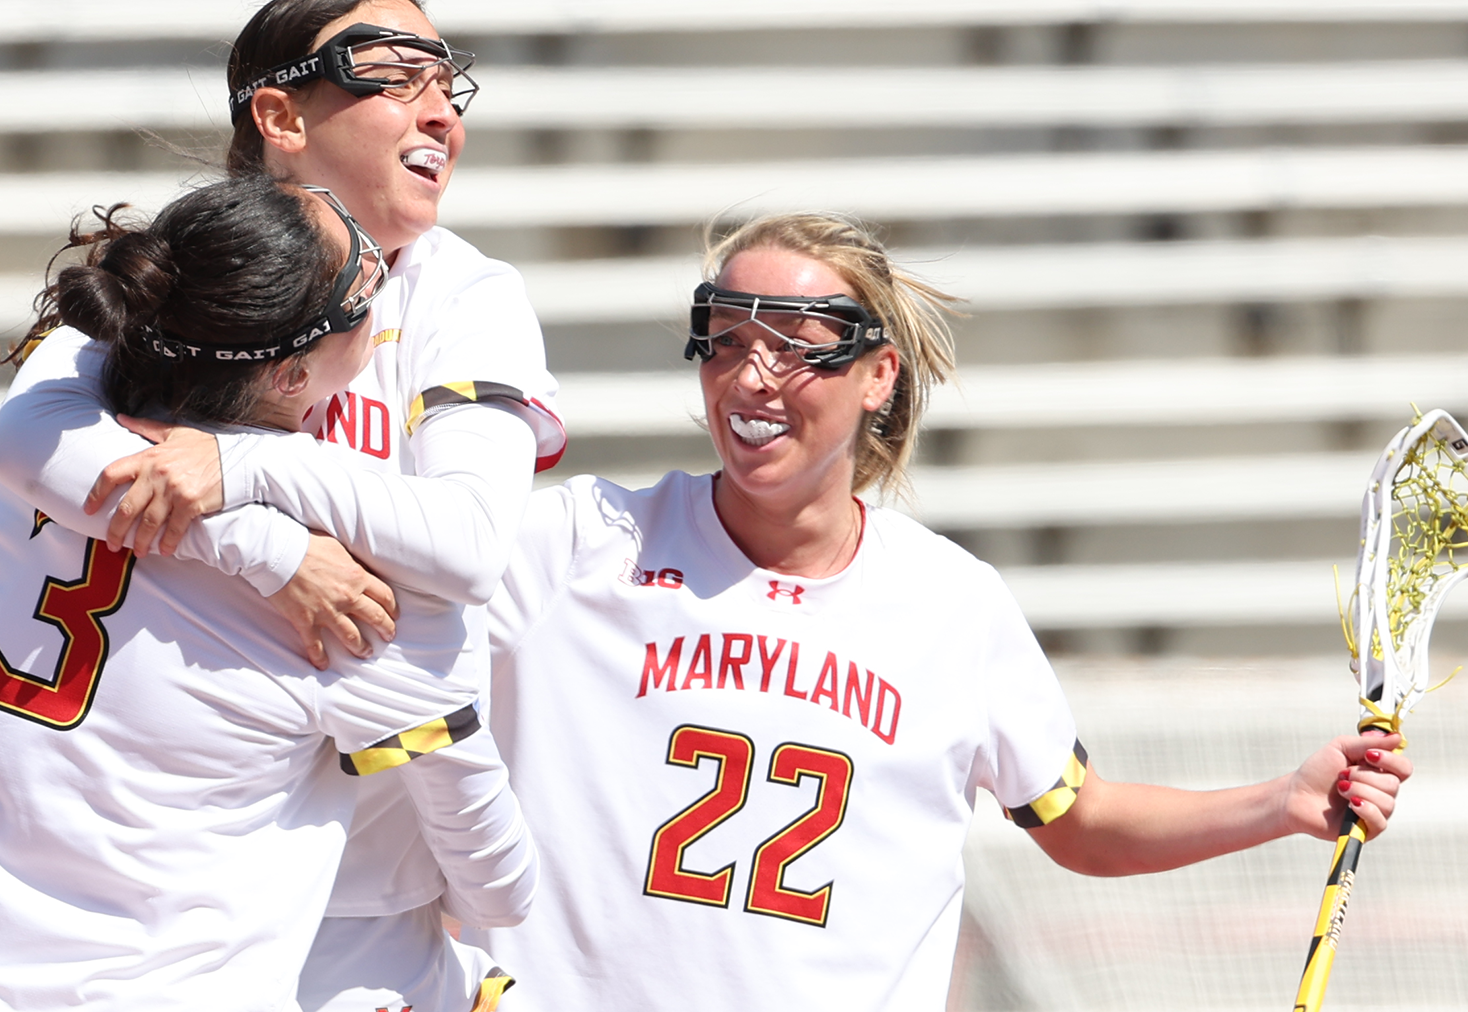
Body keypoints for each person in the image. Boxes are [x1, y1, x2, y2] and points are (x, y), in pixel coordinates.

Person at [447, 212, 1412, 1009]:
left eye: (798, 349)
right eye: (728, 340)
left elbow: (1081, 822)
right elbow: (386, 640)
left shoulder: (953, 606)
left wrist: (1283, 803)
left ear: (879, 375)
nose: (751, 376)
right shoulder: (578, 542)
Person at [0, 0, 563, 1012]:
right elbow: (24, 440)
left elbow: (468, 544)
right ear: (280, 116)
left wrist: (239, 468)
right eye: (395, 75)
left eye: (449, 83)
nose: (441, 110)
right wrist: (279, 553)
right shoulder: (180, 268)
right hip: (164, 883)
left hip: (353, 908)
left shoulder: (464, 293)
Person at [0, 176, 536, 1012]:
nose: (384, 275)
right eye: (365, 275)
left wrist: (251, 506)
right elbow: (499, 890)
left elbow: (31, 437)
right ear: (292, 374)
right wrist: (281, 550)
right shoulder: (357, 601)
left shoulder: (19, 448)